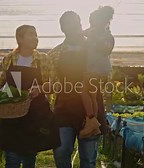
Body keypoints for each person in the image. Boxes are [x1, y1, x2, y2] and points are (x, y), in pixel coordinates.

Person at [0, 25, 60, 168]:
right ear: (20, 39)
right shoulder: (8, 59)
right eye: (31, 35)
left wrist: (40, 89)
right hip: (11, 112)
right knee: (12, 158)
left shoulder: (43, 59)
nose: (36, 38)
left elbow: (54, 84)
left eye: (36, 35)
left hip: (34, 112)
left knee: (29, 156)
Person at [47, 11, 109, 168]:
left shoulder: (94, 48)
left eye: (76, 24)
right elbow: (52, 81)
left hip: (90, 108)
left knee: (88, 158)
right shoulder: (55, 53)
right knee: (61, 151)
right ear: (63, 29)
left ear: (80, 24)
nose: (74, 28)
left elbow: (105, 74)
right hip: (64, 108)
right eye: (69, 25)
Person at [79, 6, 115, 138]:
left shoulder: (106, 35)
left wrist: (92, 36)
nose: (91, 24)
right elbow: (82, 33)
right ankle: (93, 124)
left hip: (96, 69)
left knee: (82, 90)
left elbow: (106, 49)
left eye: (93, 21)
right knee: (92, 95)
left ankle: (91, 120)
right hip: (95, 69)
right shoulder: (97, 33)